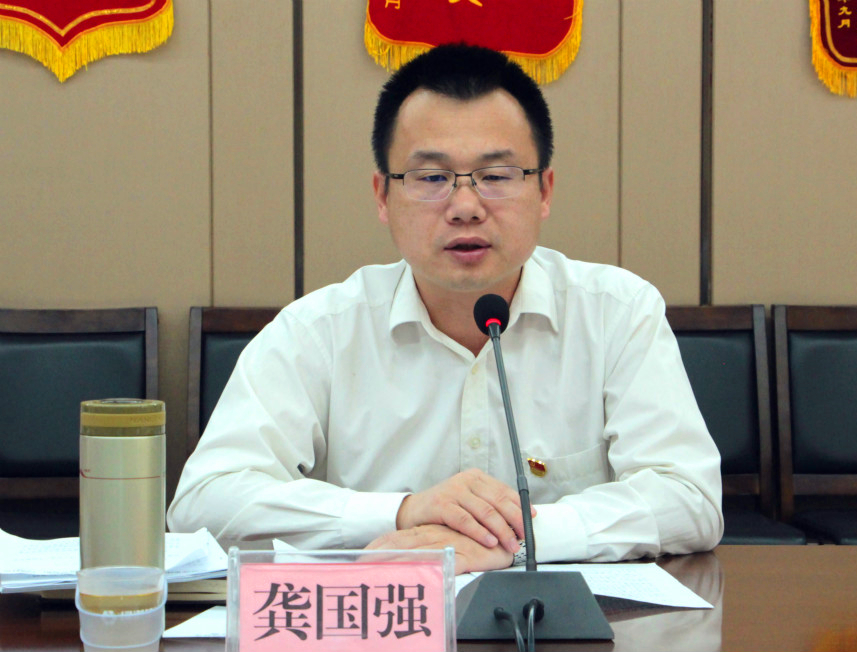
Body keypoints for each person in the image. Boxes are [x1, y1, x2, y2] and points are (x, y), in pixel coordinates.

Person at [168, 44, 723, 574]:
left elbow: (690, 497)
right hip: (383, 620)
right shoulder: (318, 332)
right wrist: (402, 514)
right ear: (383, 196)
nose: (464, 206)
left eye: (496, 176)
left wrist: (515, 539)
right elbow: (202, 504)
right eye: (432, 178)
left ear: (545, 191)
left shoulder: (617, 314)